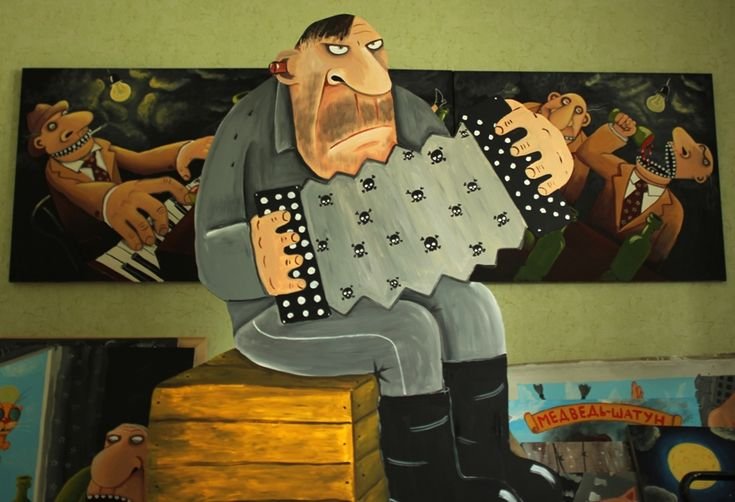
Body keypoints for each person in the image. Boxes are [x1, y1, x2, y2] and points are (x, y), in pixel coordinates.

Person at [196, 14, 572, 501]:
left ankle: (490, 462)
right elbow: (210, 256)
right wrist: (254, 256)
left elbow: (456, 188)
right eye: (338, 65)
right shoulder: (245, 127)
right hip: (277, 314)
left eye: (374, 52)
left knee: (474, 304)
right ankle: (426, 487)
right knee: (409, 331)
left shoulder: (405, 108)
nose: (362, 107)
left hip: (386, 285)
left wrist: (517, 166)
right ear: (288, 68)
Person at [27, 100, 212, 253]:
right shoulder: (54, 172)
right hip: (98, 244)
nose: (70, 128)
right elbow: (82, 192)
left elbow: (140, 161)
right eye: (52, 126)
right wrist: (111, 197)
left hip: (131, 220)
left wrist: (183, 150)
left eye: (64, 115)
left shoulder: (101, 146)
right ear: (40, 143)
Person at [575, 110, 714, 263]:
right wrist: (617, 132)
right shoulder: (621, 171)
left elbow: (656, 258)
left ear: (699, 178)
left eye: (704, 160)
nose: (687, 151)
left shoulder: (674, 211)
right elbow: (586, 152)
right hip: (579, 249)